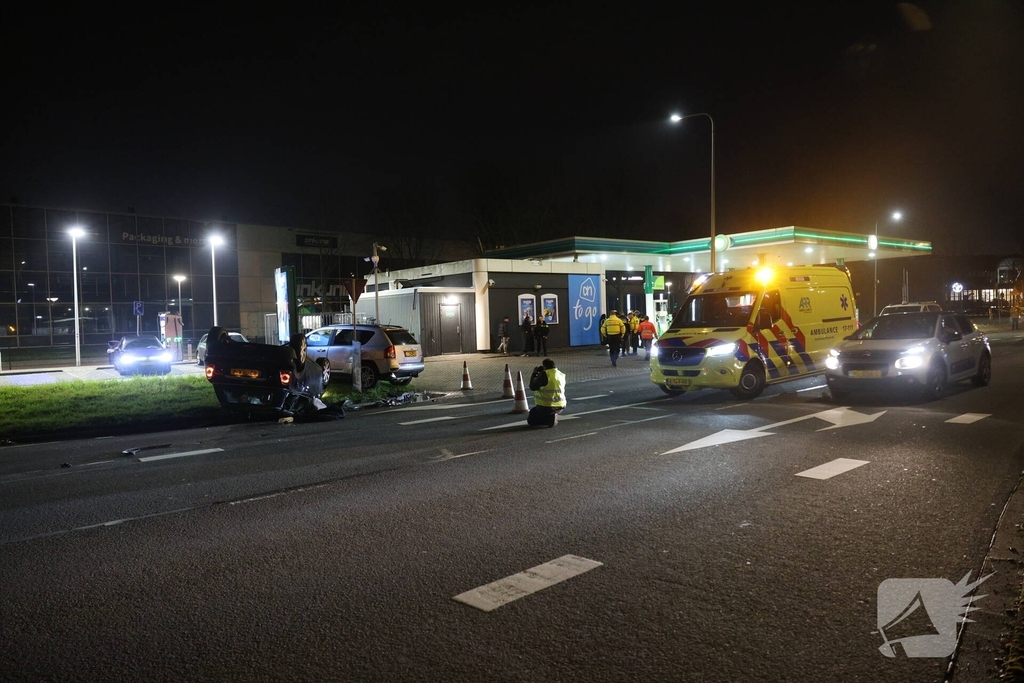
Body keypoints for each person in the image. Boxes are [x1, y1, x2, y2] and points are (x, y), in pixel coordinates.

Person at [527, 358, 566, 427]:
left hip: (546, 406)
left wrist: (534, 374)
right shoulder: (561, 374)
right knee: (544, 413)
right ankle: (552, 416)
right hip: (561, 406)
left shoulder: (545, 374)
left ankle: (550, 419)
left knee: (532, 419)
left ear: (544, 366)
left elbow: (533, 387)